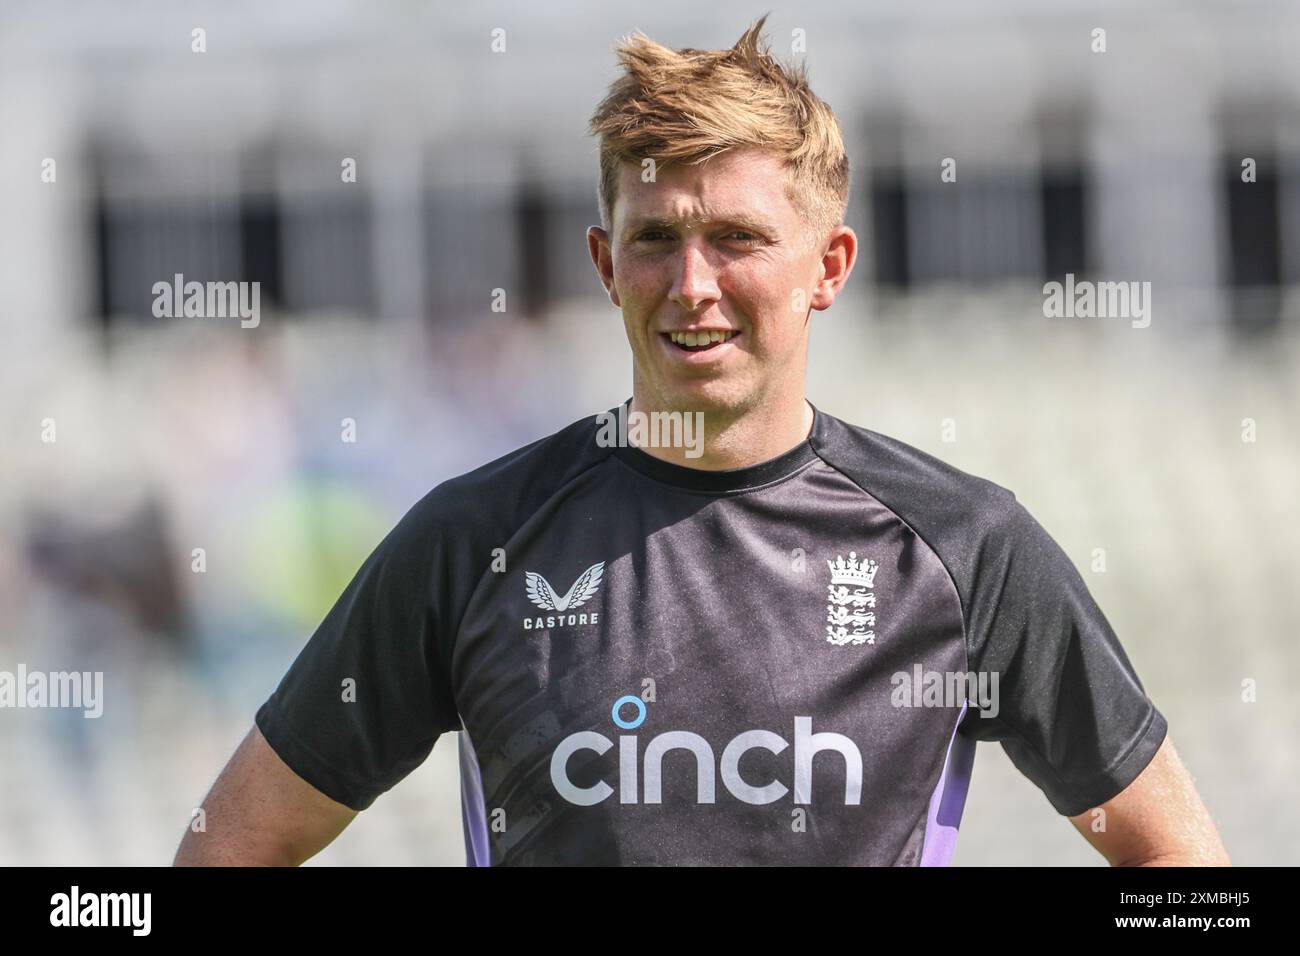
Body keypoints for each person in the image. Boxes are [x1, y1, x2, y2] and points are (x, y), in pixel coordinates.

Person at [174, 15, 1229, 867]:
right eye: (655, 239)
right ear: (602, 260)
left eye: (736, 238)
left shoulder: (964, 546)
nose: (692, 284)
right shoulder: (476, 537)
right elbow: (236, 847)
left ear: (828, 266)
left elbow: (1180, 870)